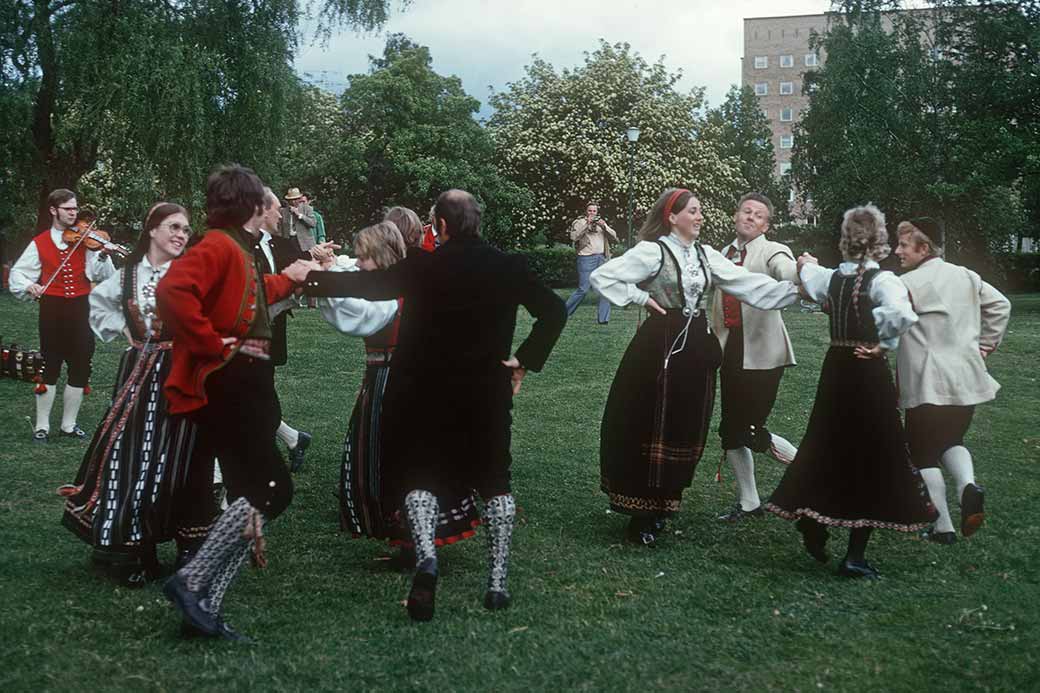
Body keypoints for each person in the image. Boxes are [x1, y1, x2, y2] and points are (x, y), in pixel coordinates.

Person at [303, 189, 566, 622]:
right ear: (476, 222)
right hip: (486, 390)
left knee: (421, 476)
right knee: (495, 481)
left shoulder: (424, 265)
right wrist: (524, 360)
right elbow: (553, 311)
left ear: (440, 226)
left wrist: (310, 277)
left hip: (424, 390)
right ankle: (497, 583)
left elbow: (368, 285)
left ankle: (427, 561)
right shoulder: (508, 266)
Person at [156, 165, 317, 642]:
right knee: (271, 491)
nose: (272, 209)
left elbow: (248, 298)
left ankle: (202, 606)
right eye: (265, 202)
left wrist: (289, 278)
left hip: (247, 379)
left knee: (251, 495)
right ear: (250, 206)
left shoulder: (237, 249)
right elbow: (172, 290)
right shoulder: (219, 244)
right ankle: (190, 582)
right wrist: (211, 344)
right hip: (234, 381)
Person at [590, 188, 800, 546]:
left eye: (700, 211)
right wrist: (640, 297)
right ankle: (643, 513)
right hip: (657, 346)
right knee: (648, 423)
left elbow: (749, 285)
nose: (700, 217)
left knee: (683, 427)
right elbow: (603, 277)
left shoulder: (707, 255)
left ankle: (664, 505)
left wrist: (800, 289)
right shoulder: (652, 251)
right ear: (672, 217)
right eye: (693, 211)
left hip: (694, 349)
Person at [764, 205, 937, 579]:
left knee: (826, 443)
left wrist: (806, 261)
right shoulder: (883, 280)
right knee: (874, 453)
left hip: (836, 370)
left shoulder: (830, 278)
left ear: (844, 241)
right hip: (867, 371)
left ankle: (813, 518)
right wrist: (883, 344)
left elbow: (808, 274)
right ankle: (854, 557)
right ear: (880, 243)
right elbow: (901, 315)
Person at [59, 203, 217, 586]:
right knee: (134, 455)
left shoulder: (193, 272)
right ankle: (135, 545)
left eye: (185, 229)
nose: (181, 234)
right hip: (140, 375)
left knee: (183, 458)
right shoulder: (128, 275)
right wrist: (122, 329)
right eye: (174, 227)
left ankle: (188, 547)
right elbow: (97, 304)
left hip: (185, 373)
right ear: (152, 230)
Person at [315, 221, 480, 552]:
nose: (359, 263)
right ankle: (407, 533)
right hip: (391, 380)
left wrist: (324, 279)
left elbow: (360, 315)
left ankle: (410, 535)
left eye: (364, 257)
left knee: (396, 458)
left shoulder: (393, 293)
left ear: (381, 256)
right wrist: (330, 271)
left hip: (395, 383)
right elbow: (353, 282)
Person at [894, 217, 1011, 544]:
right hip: (965, 377)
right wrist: (985, 345)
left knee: (921, 452)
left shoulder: (908, 282)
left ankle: (943, 525)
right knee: (950, 440)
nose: (897, 250)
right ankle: (967, 486)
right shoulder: (966, 275)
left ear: (923, 248)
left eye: (904, 245)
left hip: (928, 380)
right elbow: (1001, 305)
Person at [711, 193, 801, 521]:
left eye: (758, 215)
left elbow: (786, 269)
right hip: (730, 351)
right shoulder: (722, 255)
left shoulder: (772, 250)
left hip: (765, 353)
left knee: (749, 429)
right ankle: (750, 503)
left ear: (766, 224)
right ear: (735, 216)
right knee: (730, 431)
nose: (750, 217)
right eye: (746, 211)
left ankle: (812, 471)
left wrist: (800, 272)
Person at [9, 189, 115, 442]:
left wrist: (102, 254)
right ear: (53, 211)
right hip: (52, 309)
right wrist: (29, 286)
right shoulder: (40, 242)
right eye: (68, 209)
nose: (73, 213)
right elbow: (17, 274)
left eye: (75, 209)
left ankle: (69, 425)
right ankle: (42, 426)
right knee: (49, 365)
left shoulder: (87, 241)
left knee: (80, 365)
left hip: (81, 307)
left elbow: (104, 275)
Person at [252, 187, 315, 471]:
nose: (280, 213)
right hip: (245, 332)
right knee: (252, 393)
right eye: (277, 208)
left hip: (271, 330)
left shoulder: (276, 243)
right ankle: (290, 439)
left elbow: (296, 265)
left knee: (257, 392)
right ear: (262, 211)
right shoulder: (241, 245)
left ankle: (288, 441)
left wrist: (315, 258)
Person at [564, 202, 618, 324]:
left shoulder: (601, 223)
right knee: (583, 289)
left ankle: (603, 319)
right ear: (586, 211)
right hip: (586, 258)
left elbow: (614, 236)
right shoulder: (579, 222)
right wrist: (587, 224)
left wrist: (605, 226)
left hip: (601, 258)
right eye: (590, 211)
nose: (592, 213)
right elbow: (574, 237)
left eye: (594, 211)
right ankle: (563, 313)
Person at [278, 187, 318, 253]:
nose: (293, 202)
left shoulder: (307, 209)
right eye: (291, 200)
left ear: (299, 199)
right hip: (289, 243)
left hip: (305, 244)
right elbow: (280, 229)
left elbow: (313, 223)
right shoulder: (283, 211)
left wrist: (299, 215)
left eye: (295, 199)